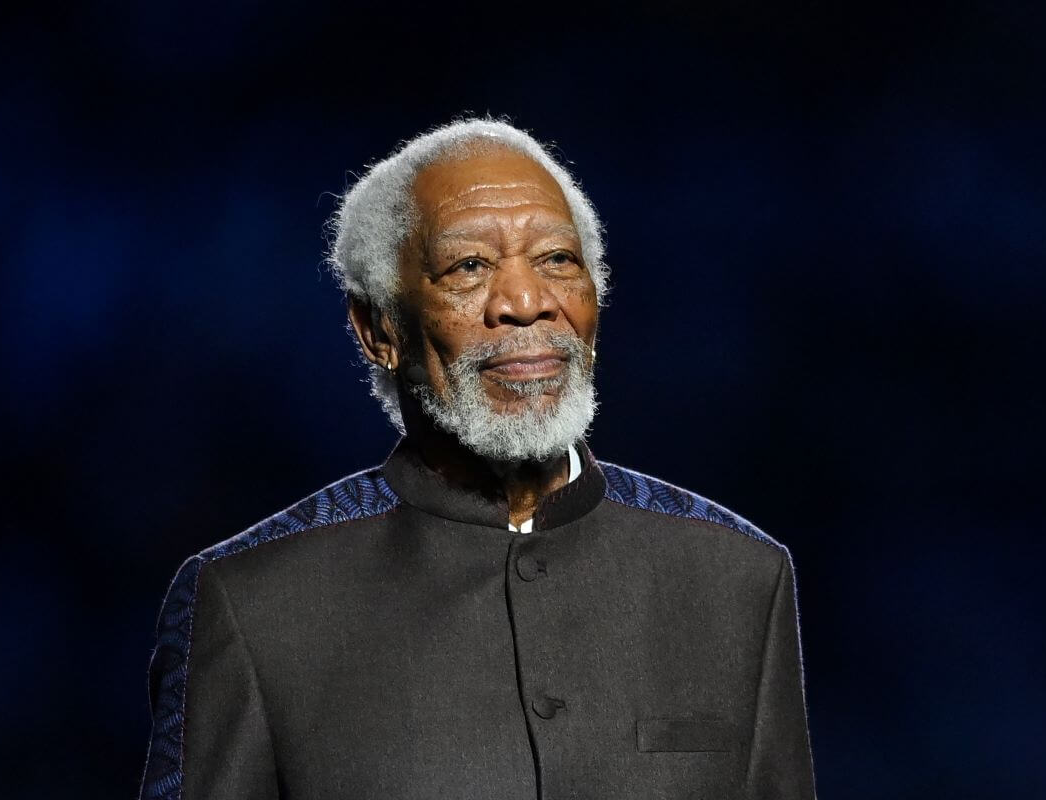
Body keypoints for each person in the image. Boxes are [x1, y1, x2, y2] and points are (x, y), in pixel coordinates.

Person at [138, 118, 816, 800]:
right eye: (469, 267)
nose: (527, 303)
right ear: (379, 331)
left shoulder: (739, 579)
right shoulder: (251, 605)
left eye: (557, 259)